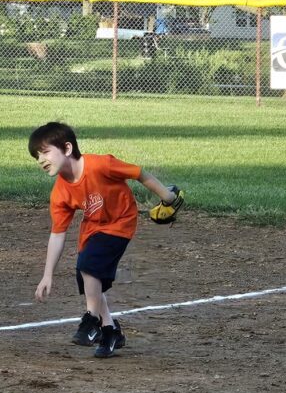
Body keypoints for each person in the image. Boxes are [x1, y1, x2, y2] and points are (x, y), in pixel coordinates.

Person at [29, 122, 182, 358]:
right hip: (94, 227)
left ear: (67, 148)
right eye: (37, 156)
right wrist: (47, 274)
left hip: (121, 221)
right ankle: (110, 331)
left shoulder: (101, 164)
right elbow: (57, 233)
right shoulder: (60, 191)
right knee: (89, 277)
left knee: (89, 266)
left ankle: (91, 321)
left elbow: (139, 173)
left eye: (45, 152)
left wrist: (168, 197)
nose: (40, 160)